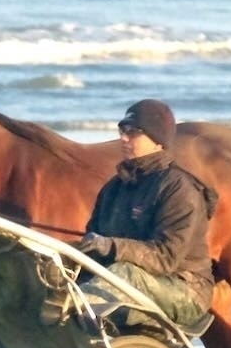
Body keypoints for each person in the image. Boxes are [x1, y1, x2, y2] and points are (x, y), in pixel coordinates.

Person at [74, 99, 217, 328]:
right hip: (129, 282)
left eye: (133, 132)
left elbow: (165, 258)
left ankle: (68, 311)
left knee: (124, 272)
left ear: (158, 141)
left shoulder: (179, 188)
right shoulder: (114, 188)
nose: (123, 138)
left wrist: (111, 246)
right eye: (123, 130)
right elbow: (94, 248)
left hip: (184, 291)